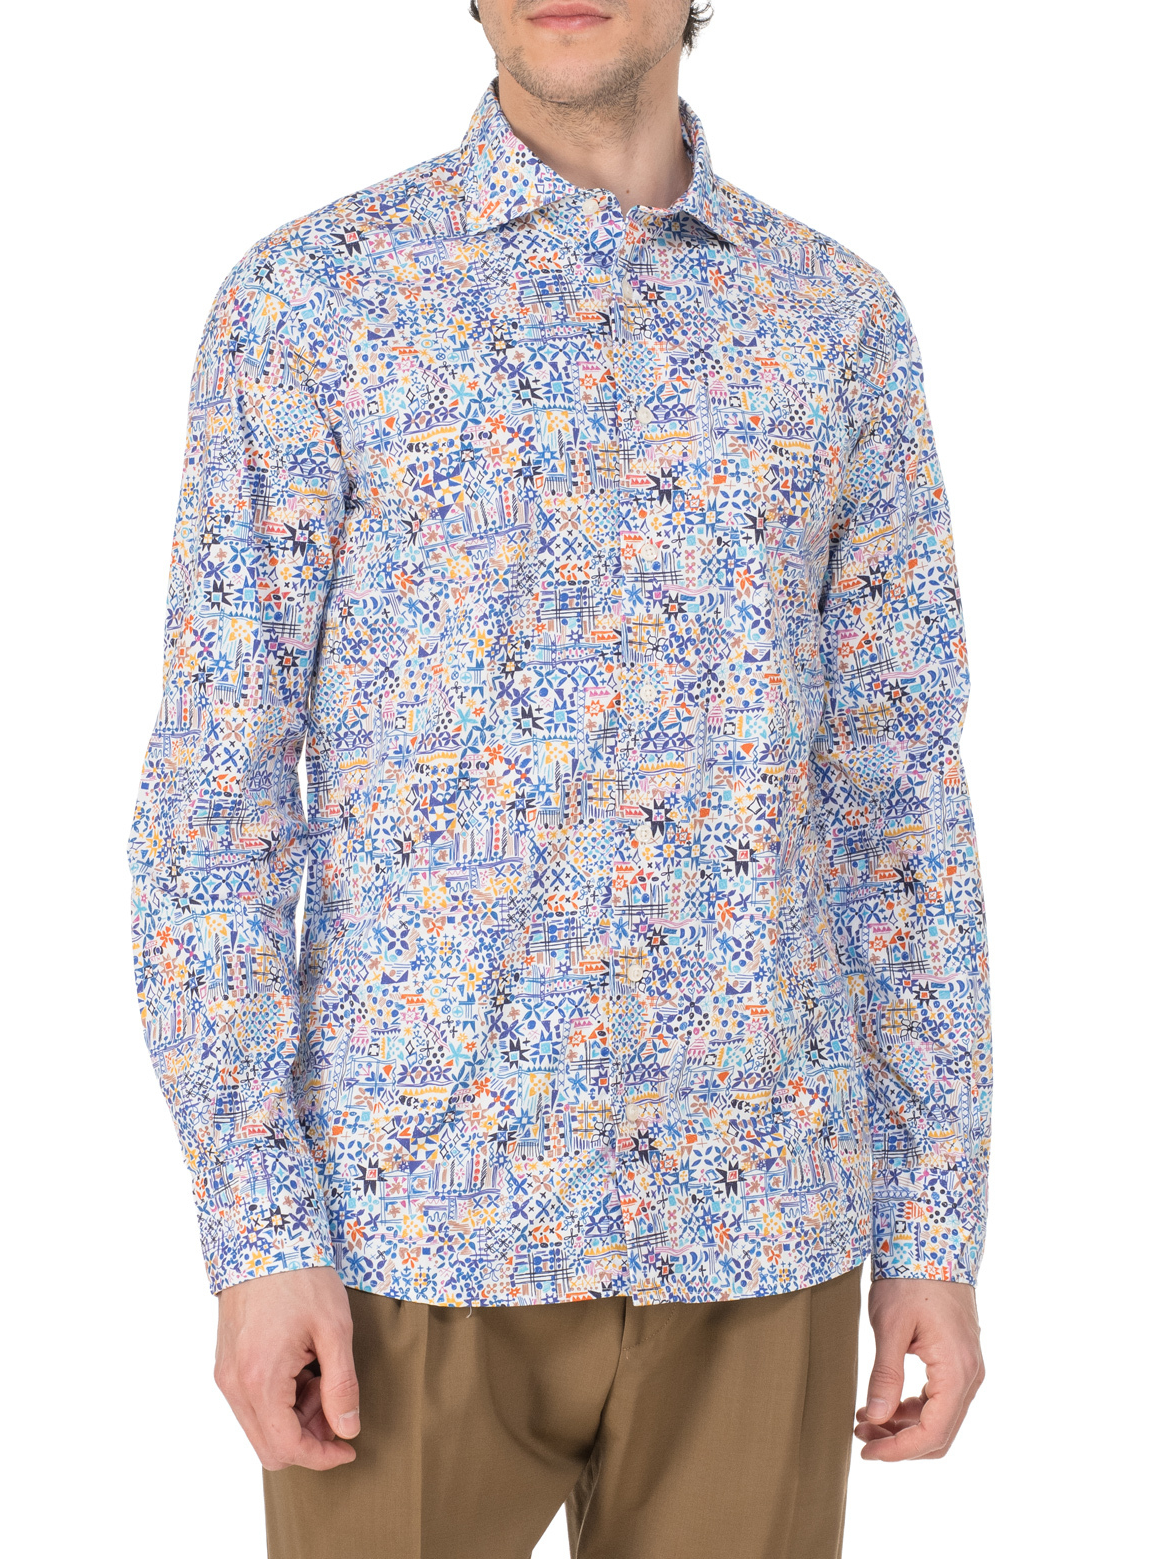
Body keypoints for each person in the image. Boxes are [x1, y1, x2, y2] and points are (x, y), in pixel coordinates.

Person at [128, 2, 990, 1554]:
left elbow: (899, 806)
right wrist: (255, 1230)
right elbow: (216, 801)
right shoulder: (316, 301)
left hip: (763, 1225)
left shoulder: (837, 324)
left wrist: (932, 1225)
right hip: (408, 1237)